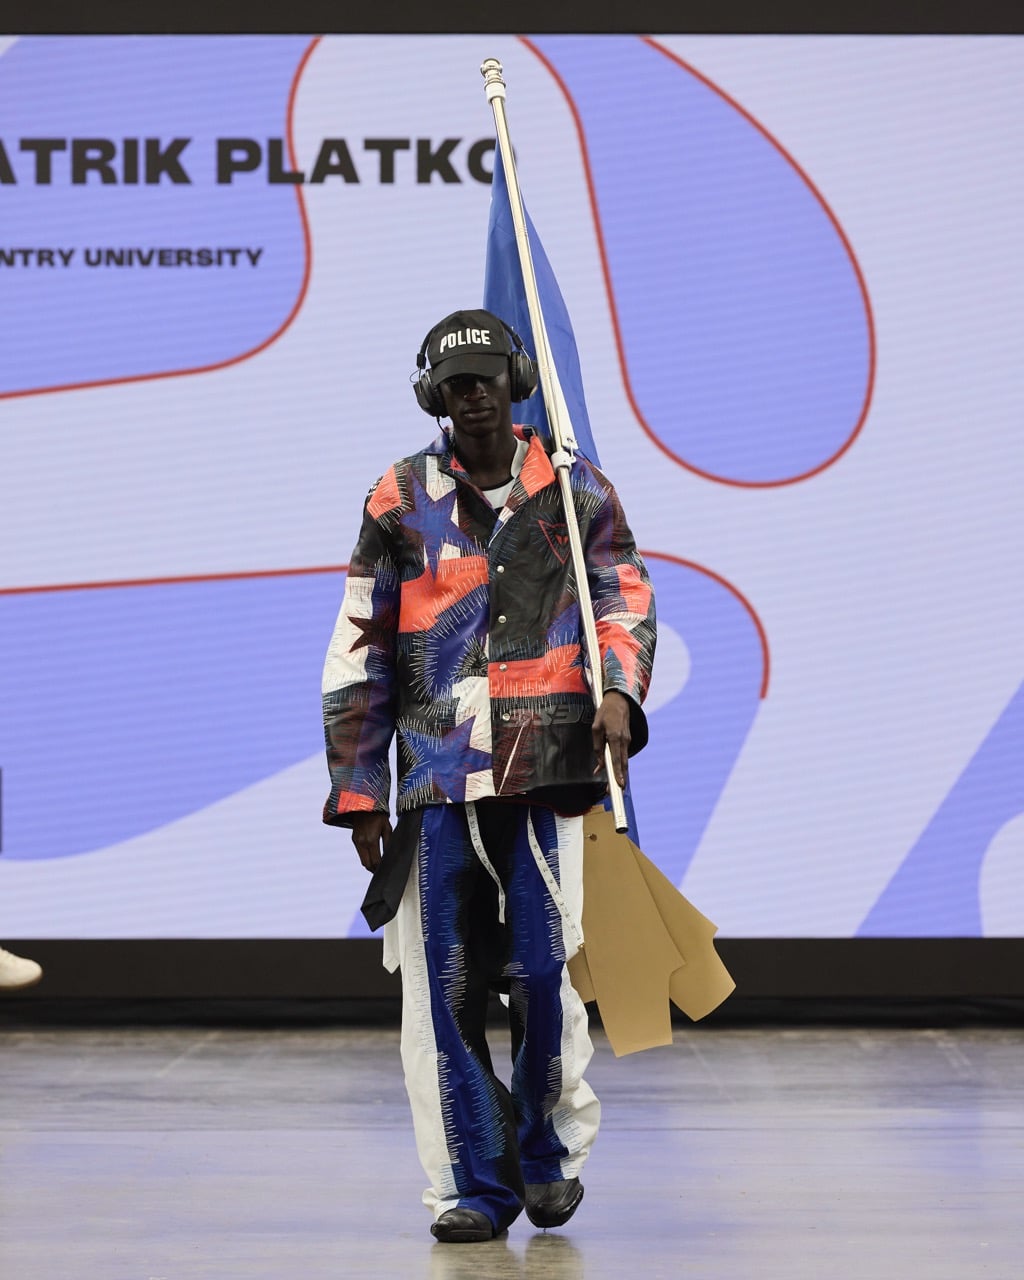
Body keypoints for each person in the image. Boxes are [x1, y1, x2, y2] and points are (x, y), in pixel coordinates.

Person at [321, 308, 656, 1243]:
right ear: (435, 395)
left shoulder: (573, 488)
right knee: (449, 992)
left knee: (544, 978)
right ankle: (476, 1187)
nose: (473, 395)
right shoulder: (399, 498)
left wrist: (621, 694)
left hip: (546, 774)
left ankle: (547, 1160)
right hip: (436, 785)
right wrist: (359, 793)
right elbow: (361, 645)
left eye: (486, 378)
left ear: (515, 381)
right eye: (456, 383)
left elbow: (624, 595)